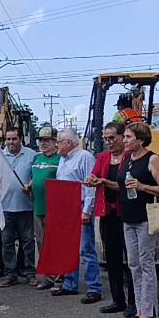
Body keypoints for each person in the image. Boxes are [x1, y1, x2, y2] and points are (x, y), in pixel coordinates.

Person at [118, 123, 159, 318]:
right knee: (134, 264)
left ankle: (148, 312)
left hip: (146, 217)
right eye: (125, 137)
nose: (125, 140)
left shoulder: (153, 159)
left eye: (129, 137)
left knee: (146, 263)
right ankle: (142, 308)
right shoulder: (127, 160)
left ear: (140, 139)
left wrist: (142, 187)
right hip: (128, 218)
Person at [86, 122, 136, 315]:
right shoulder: (103, 157)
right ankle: (118, 300)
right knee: (112, 259)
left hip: (128, 214)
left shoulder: (131, 158)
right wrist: (92, 179)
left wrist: (106, 182)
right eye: (106, 138)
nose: (109, 142)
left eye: (112, 138)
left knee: (131, 259)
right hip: (108, 213)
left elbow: (128, 184)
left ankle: (134, 301)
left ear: (123, 137)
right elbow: (95, 174)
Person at [51, 129, 102, 304]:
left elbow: (90, 185)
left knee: (85, 249)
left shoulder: (84, 157)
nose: (56, 145)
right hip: (66, 207)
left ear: (68, 143)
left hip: (79, 206)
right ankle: (70, 283)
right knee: (68, 248)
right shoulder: (63, 159)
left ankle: (94, 288)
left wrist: (87, 210)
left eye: (59, 142)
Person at [0, 128, 37, 288]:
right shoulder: (0, 155)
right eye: (8, 139)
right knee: (6, 242)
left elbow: (36, 176)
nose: (11, 142)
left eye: (14, 139)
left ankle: (29, 273)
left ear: (21, 138)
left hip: (25, 207)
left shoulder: (32, 155)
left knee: (27, 242)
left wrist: (30, 186)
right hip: (5, 207)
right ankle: (10, 274)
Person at [29, 126, 61, 291]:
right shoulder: (36, 158)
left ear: (55, 141)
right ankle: (47, 277)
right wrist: (29, 185)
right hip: (38, 208)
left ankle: (59, 278)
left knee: (54, 244)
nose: (43, 143)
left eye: (47, 140)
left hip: (53, 210)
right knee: (41, 244)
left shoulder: (60, 160)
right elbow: (34, 178)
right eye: (41, 140)